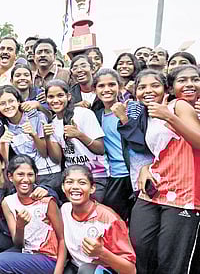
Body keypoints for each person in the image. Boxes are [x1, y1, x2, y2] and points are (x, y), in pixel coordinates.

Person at [129, 69, 200, 274]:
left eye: (155, 85)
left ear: (166, 88)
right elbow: (162, 152)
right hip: (155, 189)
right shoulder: (147, 115)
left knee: (171, 260)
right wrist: (144, 168)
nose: (148, 91)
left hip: (184, 194)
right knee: (140, 245)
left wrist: (170, 117)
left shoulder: (178, 106)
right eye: (142, 87)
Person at [0, 155, 66, 274]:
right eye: (20, 174)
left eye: (30, 175)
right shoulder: (8, 202)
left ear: (36, 176)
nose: (25, 179)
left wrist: (58, 271)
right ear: (10, 177)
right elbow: (18, 243)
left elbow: (62, 239)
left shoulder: (47, 201)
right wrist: (20, 226)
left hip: (49, 257)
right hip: (28, 252)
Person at [61, 165, 136, 274]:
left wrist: (101, 252)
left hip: (101, 270)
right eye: (69, 182)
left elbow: (131, 270)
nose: (75, 187)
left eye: (82, 183)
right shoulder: (64, 210)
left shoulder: (109, 219)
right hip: (76, 267)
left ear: (92, 188)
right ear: (63, 187)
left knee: (86, 270)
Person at [45, 80, 109, 202]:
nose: (55, 100)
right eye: (51, 97)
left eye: (60, 95)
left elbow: (100, 149)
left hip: (96, 175)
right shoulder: (53, 123)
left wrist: (78, 135)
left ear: (68, 96)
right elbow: (57, 159)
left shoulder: (84, 114)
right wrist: (47, 137)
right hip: (73, 177)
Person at [0, 85, 61, 193]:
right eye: (2, 103)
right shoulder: (4, 125)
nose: (8, 106)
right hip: (27, 178)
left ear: (18, 101)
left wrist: (33, 135)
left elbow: (44, 153)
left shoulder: (36, 116)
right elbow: (4, 163)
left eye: (11, 101)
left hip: (49, 175)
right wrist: (3, 143)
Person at [92, 69, 135, 221]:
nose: (107, 89)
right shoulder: (96, 115)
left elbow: (139, 140)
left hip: (132, 173)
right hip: (113, 175)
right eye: (101, 86)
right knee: (115, 221)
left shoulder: (131, 108)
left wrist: (124, 117)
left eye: (111, 84)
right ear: (95, 89)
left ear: (119, 86)